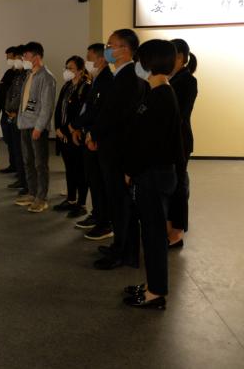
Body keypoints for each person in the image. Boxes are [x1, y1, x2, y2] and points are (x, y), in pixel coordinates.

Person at [122, 39, 185, 309]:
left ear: (150, 62)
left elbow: (150, 145)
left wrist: (131, 170)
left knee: (154, 235)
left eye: (140, 60)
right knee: (150, 233)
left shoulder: (162, 97)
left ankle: (156, 292)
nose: (137, 65)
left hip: (153, 175)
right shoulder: (156, 93)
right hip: (151, 174)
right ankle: (152, 285)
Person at [88, 28, 148, 269]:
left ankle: (124, 252)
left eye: (110, 45)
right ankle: (119, 246)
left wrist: (95, 133)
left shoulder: (129, 78)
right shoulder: (120, 76)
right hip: (111, 147)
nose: (107, 50)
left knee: (121, 203)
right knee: (116, 201)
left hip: (118, 151)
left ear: (124, 49)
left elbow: (116, 117)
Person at [70, 44, 114, 238]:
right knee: (93, 180)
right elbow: (88, 108)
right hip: (89, 135)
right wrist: (78, 127)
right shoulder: (96, 79)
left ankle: (105, 222)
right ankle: (97, 214)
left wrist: (84, 129)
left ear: (101, 59)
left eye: (90, 58)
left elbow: (99, 112)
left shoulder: (107, 80)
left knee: (100, 182)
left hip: (97, 138)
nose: (87, 62)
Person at [14, 42, 57, 213]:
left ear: (37, 57)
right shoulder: (29, 74)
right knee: (28, 161)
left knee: (40, 164)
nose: (23, 59)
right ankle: (32, 193)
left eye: (26, 56)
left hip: (37, 127)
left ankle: (41, 198)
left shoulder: (47, 77)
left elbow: (47, 106)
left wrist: (39, 127)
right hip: (25, 124)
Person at [167, 39, 198, 248]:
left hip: (179, 140)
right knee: (174, 183)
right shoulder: (173, 78)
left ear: (179, 57)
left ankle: (177, 232)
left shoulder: (187, 80)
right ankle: (171, 226)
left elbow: (180, 114)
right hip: (172, 140)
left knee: (178, 185)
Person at [53, 56, 91, 217]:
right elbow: (59, 108)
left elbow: (84, 113)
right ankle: (71, 199)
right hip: (62, 135)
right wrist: (57, 128)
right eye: (66, 67)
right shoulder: (67, 85)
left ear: (80, 70)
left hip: (75, 135)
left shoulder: (86, 87)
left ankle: (81, 204)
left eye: (71, 68)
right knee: (69, 169)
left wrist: (70, 129)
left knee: (80, 170)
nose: (67, 71)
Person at [4, 47, 29, 195]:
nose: (16, 61)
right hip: (12, 116)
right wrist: (8, 108)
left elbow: (23, 96)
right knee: (16, 149)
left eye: (19, 58)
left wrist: (14, 109)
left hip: (21, 117)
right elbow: (10, 92)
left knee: (23, 151)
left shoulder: (28, 75)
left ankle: (26, 181)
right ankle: (21, 178)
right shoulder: (17, 75)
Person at [0, 47, 20, 173]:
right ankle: (13, 165)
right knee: (8, 138)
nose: (8, 60)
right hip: (6, 111)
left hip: (15, 113)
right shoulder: (9, 72)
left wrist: (14, 110)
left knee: (16, 140)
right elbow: (1, 87)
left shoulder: (22, 74)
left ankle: (19, 168)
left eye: (9, 57)